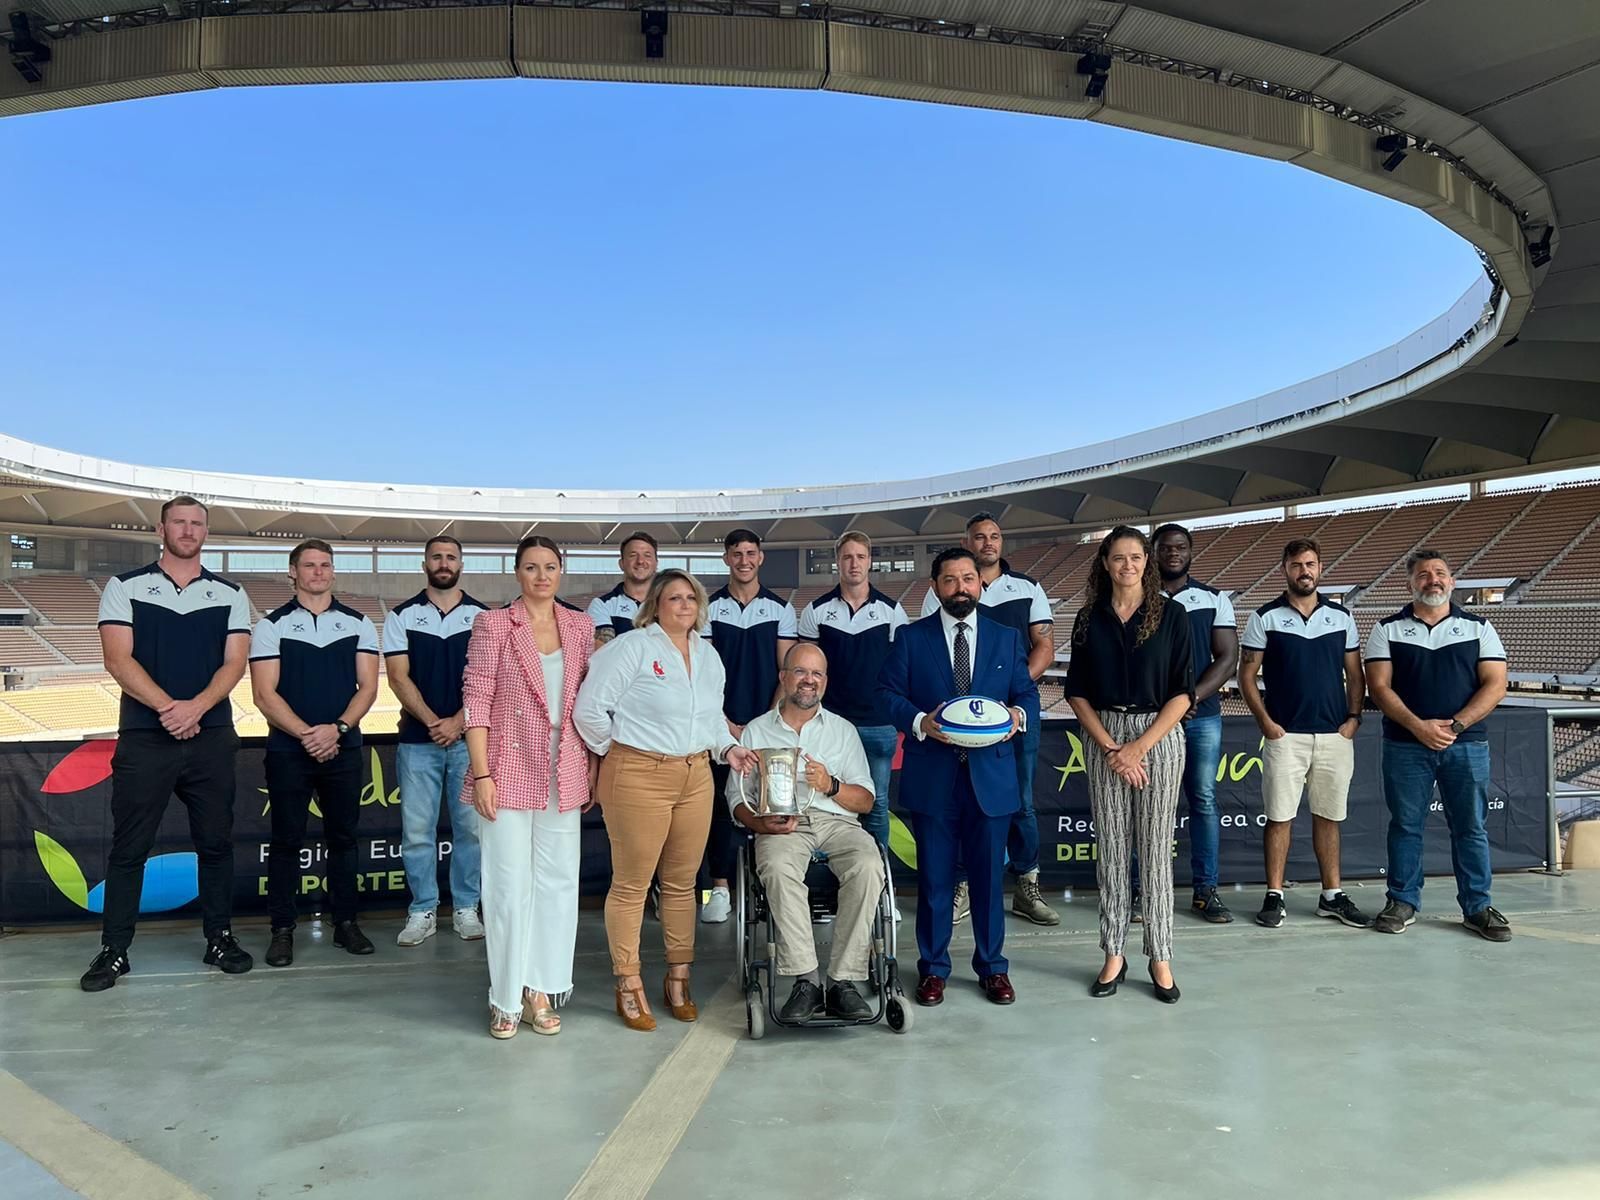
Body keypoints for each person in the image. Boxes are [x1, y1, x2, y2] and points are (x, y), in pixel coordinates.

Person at [81, 496, 255, 992]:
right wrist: (169, 709)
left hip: (211, 735)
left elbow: (234, 664)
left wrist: (195, 708)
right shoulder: (124, 587)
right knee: (129, 848)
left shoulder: (230, 592)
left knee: (216, 844)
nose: (188, 529)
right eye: (179, 521)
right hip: (145, 737)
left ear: (206, 531)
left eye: (197, 522)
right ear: (161, 528)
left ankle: (219, 937)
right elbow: (118, 659)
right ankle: (115, 950)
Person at [574, 569, 758, 1031]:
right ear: (655, 604)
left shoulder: (709, 656)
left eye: (690, 599)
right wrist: (616, 752)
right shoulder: (630, 647)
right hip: (638, 773)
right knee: (633, 885)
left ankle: (678, 977)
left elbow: (713, 719)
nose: (683, 605)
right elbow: (590, 710)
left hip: (696, 774)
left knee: (681, 885)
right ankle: (628, 981)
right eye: (673, 598)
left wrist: (727, 748)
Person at [881, 548, 1040, 1007]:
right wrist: (918, 722)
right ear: (935, 588)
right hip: (934, 781)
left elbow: (1027, 694)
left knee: (990, 881)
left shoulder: (1007, 638)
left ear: (980, 584)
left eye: (968, 579)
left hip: (990, 782)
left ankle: (992, 968)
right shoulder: (912, 638)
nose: (960, 588)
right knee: (934, 882)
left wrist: (1017, 715)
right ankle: (933, 970)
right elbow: (885, 694)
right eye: (949, 580)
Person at [460, 537, 597, 1038]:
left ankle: (541, 987)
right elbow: (476, 700)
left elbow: (590, 701)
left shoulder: (580, 626)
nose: (542, 576)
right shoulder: (493, 624)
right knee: (508, 884)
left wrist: (593, 770)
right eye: (532, 567)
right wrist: (481, 774)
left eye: (551, 567)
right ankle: (505, 993)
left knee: (558, 884)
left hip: (564, 767)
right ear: (517, 573)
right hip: (506, 765)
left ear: (561, 572)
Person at [1065, 526, 1193, 1004]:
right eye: (1118, 557)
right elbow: (1076, 692)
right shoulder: (1086, 618)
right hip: (1104, 737)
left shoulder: (1173, 615)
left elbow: (1184, 692)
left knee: (1157, 852)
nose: (1128, 565)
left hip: (1158, 736)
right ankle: (1113, 951)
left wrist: (1139, 747)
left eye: (1136, 556)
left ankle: (1160, 955)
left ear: (1148, 561)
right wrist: (1111, 749)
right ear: (1105, 563)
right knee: (1114, 852)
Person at [730, 643, 882, 1023]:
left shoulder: (843, 731)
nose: (808, 680)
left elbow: (865, 801)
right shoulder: (756, 730)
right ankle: (806, 981)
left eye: (816, 674)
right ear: (783, 678)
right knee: (777, 868)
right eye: (800, 671)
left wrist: (830, 784)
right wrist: (760, 823)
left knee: (868, 865)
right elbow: (736, 799)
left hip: (837, 821)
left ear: (826, 682)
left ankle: (842, 981)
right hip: (781, 826)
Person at [1365, 549, 1511, 941]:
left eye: (1440, 573)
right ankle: (1402, 901)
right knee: (1406, 826)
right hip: (1405, 745)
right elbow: (1378, 687)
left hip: (1466, 745)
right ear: (1410, 583)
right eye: (1424, 574)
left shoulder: (1479, 627)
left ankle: (1478, 906)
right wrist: (1418, 727)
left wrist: (1457, 725)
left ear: (1453, 581)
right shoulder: (1387, 628)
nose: (1433, 579)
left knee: (1470, 828)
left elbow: (1496, 685)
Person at [920, 513, 1057, 927]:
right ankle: (964, 884)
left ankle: (1027, 885)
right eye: (979, 537)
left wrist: (1003, 704)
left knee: (1022, 804)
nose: (988, 543)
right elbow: (933, 648)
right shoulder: (946, 587)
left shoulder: (1029, 588)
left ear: (1002, 542)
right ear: (968, 541)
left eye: (994, 536)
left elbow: (1044, 647)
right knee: (965, 803)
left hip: (1007, 719)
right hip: (961, 724)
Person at [249, 539, 380, 966]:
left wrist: (338, 729)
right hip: (289, 750)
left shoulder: (359, 623)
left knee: (343, 840)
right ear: (293, 571)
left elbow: (369, 688)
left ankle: (346, 924)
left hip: (343, 747)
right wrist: (309, 735)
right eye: (309, 565)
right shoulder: (272, 625)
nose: (318, 572)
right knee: (286, 842)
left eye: (325, 565)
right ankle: (282, 930)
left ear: (333, 572)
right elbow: (264, 695)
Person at [1239, 539, 1371, 929]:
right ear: (1285, 569)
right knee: (1279, 818)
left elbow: (1356, 674)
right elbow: (1246, 676)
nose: (1304, 571)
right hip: (1285, 735)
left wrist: (1353, 719)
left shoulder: (1341, 617)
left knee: (1328, 817)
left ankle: (1331, 895)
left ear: (1320, 567)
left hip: (1334, 735)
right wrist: (1266, 723)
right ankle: (1274, 895)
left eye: (1310, 564)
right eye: (1296, 565)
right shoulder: (1264, 617)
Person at [384, 536, 490, 946]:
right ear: (424, 563)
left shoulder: (482, 616)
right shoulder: (402, 615)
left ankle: (466, 907)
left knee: (471, 831)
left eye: (451, 557)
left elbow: (488, 680)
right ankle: (422, 909)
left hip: (469, 742)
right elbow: (397, 677)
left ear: (461, 564)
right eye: (436, 557)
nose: (443, 563)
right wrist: (434, 722)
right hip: (418, 742)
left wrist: (459, 723)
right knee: (416, 833)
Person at [701, 529, 797, 923]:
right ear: (726, 558)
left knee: (772, 801)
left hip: (767, 724)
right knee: (721, 807)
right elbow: (703, 675)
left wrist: (761, 723)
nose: (744, 559)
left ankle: (770, 886)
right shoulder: (708, 608)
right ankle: (718, 889)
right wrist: (724, 723)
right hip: (720, 725)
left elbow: (786, 671)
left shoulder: (780, 609)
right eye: (736, 552)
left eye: (750, 553)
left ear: (760, 558)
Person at [797, 530, 908, 851]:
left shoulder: (891, 611)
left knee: (875, 805)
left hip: (878, 725)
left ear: (870, 561)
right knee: (825, 803)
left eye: (860, 556)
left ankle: (876, 885)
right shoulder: (816, 610)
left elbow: (900, 671)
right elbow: (806, 668)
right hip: (829, 724)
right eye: (847, 557)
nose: (854, 563)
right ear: (837, 562)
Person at [1150, 522, 1239, 924]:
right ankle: (1142, 889)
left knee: (1202, 801)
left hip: (1201, 717)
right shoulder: (1137, 596)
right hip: (1149, 719)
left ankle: (1205, 890)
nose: (1173, 552)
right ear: (1154, 552)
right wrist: (1163, 703)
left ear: (1190, 552)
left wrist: (1190, 697)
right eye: (1165, 547)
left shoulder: (1214, 598)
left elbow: (1226, 659)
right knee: (1148, 806)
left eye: (1180, 547)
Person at [586, 531, 657, 647]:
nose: (640, 561)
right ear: (621, 563)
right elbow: (604, 652)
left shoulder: (668, 603)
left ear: (656, 563)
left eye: (647, 555)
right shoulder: (601, 605)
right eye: (633, 555)